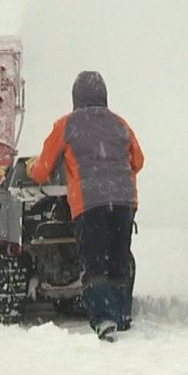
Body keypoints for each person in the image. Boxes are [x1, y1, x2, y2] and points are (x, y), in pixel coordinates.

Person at [27, 71, 144, 342]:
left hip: (90, 203)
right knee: (118, 259)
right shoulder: (120, 124)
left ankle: (103, 319)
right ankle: (121, 316)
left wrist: (30, 167)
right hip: (125, 201)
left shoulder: (68, 125)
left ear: (75, 98)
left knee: (95, 262)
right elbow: (138, 160)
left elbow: (43, 170)